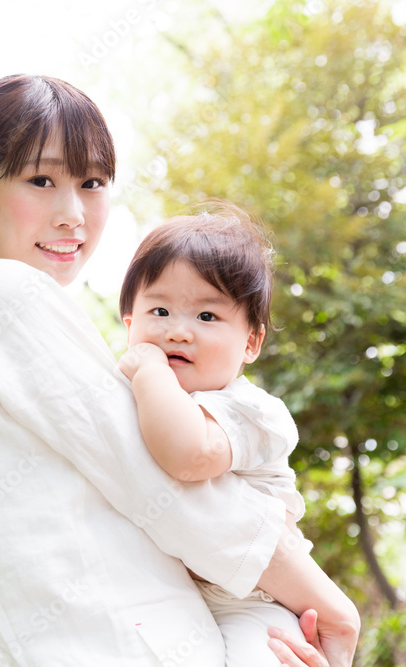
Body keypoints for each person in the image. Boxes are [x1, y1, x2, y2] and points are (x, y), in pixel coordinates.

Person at [0, 73, 360, 666]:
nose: (72, 214)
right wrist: (330, 605)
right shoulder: (3, 296)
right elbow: (168, 489)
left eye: (92, 183)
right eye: (41, 179)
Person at [116, 205, 358, 665]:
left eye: (207, 316)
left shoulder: (254, 411)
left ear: (251, 343)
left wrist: (150, 371)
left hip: (257, 604)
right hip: (176, 595)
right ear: (131, 326)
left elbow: (189, 455)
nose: (179, 331)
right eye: (160, 310)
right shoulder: (130, 397)